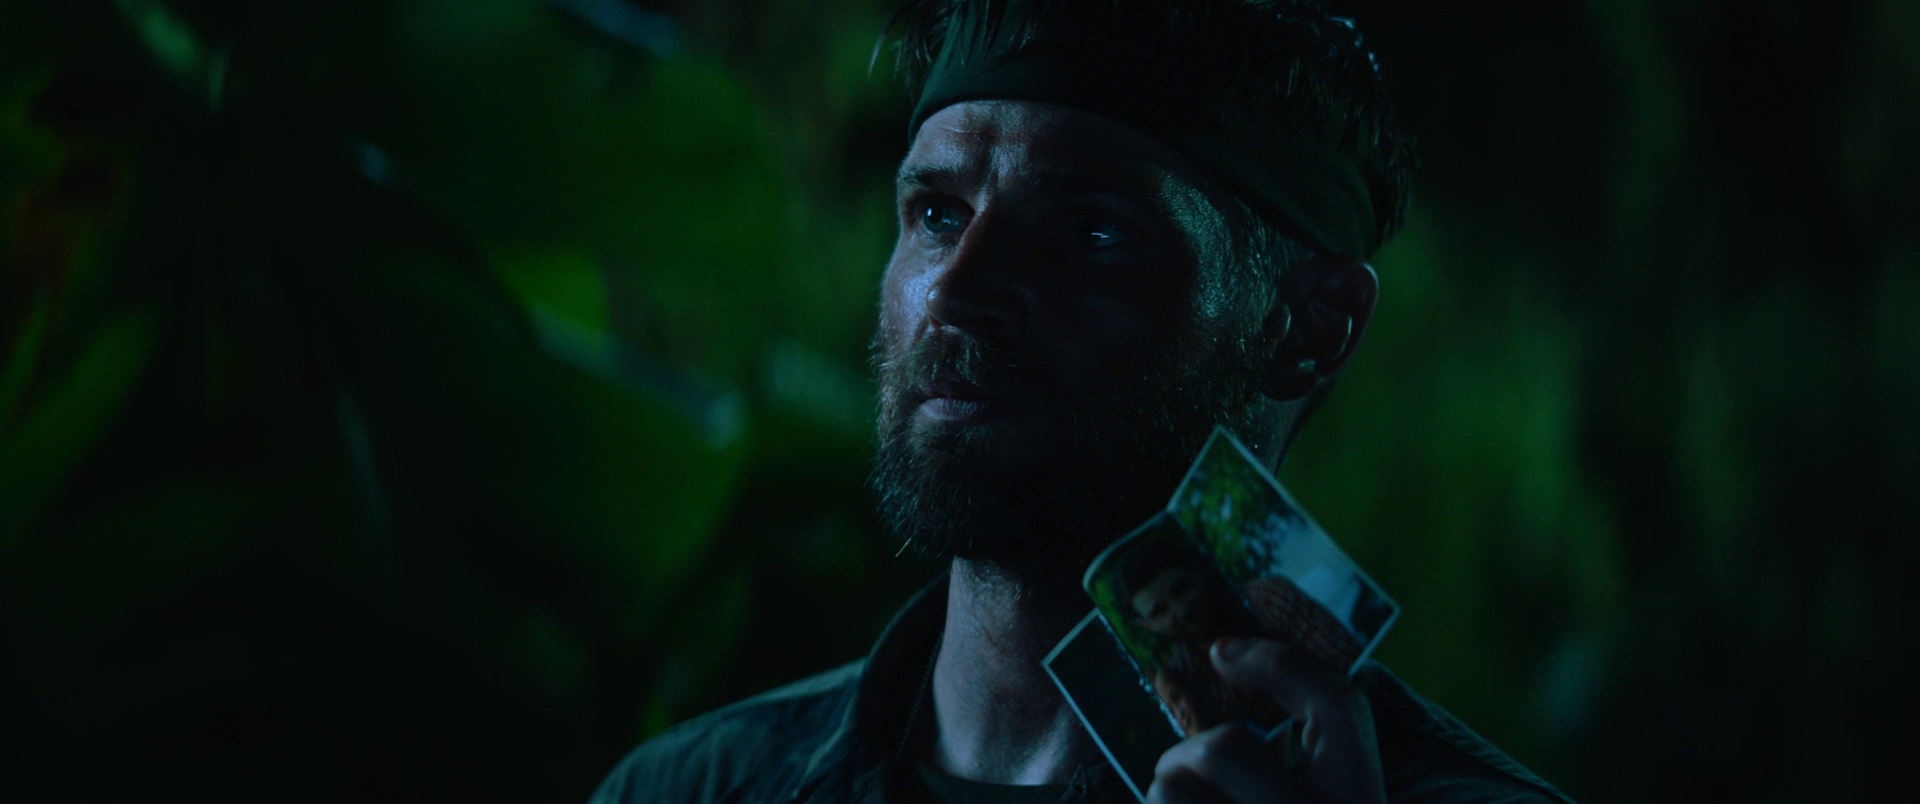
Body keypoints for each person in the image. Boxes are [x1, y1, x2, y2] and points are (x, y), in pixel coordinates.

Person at [591, 0, 1574, 801]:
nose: (957, 291)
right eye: (937, 213)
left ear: (1306, 327)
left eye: (1092, 232)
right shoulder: (687, 791)